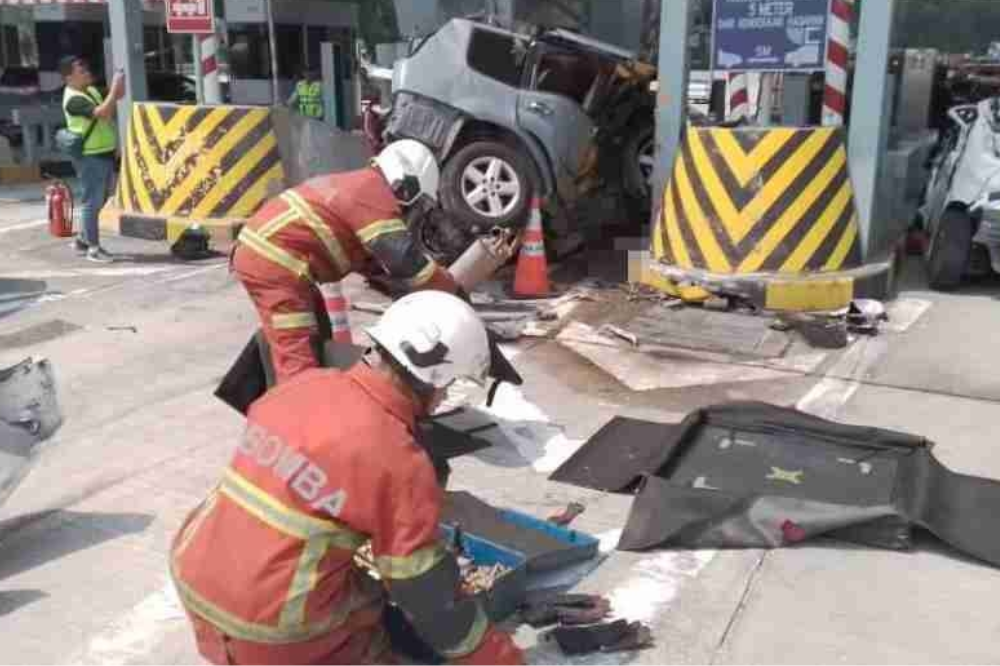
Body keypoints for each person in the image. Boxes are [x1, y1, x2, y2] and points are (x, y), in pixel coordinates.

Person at [170, 291, 524, 665]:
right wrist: (498, 658)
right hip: (273, 630)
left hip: (196, 577)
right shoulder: (398, 458)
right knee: (381, 633)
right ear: (437, 380)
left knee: (364, 590)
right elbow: (427, 594)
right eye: (449, 387)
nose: (443, 399)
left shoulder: (304, 386)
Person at [231, 139, 461, 385]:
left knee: (319, 335)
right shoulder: (373, 192)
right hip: (275, 261)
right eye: (417, 204)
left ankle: (306, 396)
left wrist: (403, 293)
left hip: (275, 256)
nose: (411, 213)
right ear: (407, 186)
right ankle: (298, 409)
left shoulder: (360, 186)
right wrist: (452, 288)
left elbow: (375, 264)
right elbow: (405, 260)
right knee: (298, 349)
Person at [60, 56, 123, 264]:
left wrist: (118, 82)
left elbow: (116, 98)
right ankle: (93, 249)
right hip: (90, 157)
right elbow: (104, 112)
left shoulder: (91, 91)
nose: (86, 71)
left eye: (86, 67)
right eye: (81, 70)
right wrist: (114, 89)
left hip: (104, 153)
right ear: (68, 77)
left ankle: (82, 240)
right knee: (91, 203)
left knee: (102, 199)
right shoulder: (73, 99)